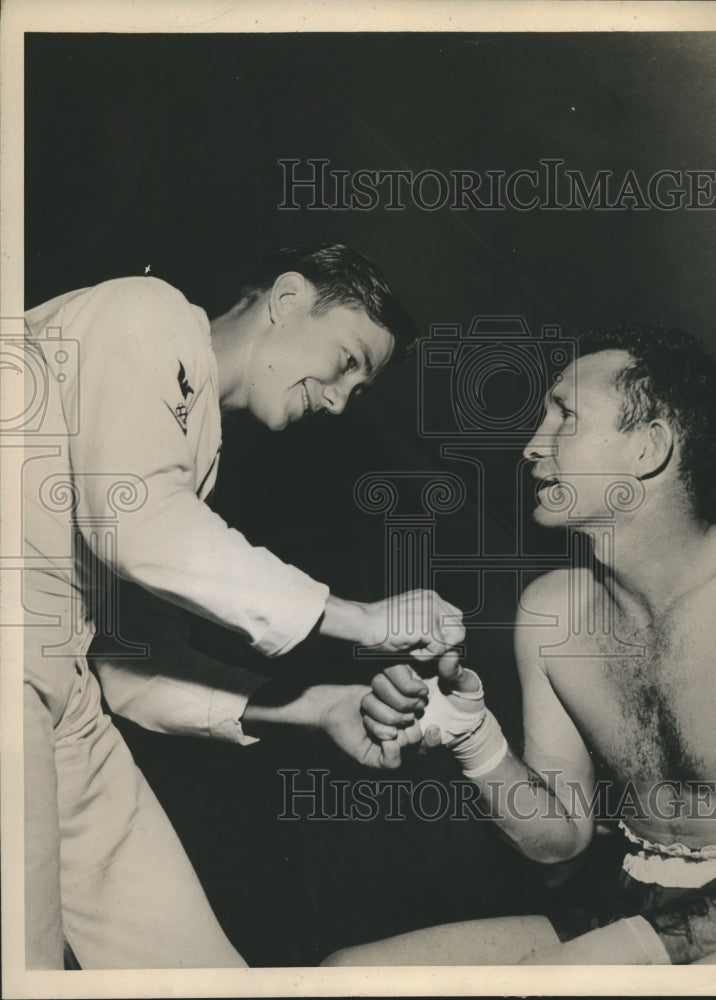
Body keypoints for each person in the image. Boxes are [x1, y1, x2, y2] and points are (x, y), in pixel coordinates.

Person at [22, 243, 463, 969]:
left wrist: (317, 706)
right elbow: (138, 525)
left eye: (362, 388)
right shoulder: (147, 311)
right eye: (348, 360)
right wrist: (362, 618)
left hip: (58, 697)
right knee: (23, 960)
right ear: (287, 298)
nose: (341, 398)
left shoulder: (191, 458)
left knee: (196, 970)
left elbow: (132, 664)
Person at [329, 325, 716, 966]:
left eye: (566, 416)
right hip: (630, 893)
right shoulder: (551, 610)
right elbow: (560, 846)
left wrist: (630, 950)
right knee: (349, 975)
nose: (531, 446)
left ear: (647, 449)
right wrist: (471, 737)